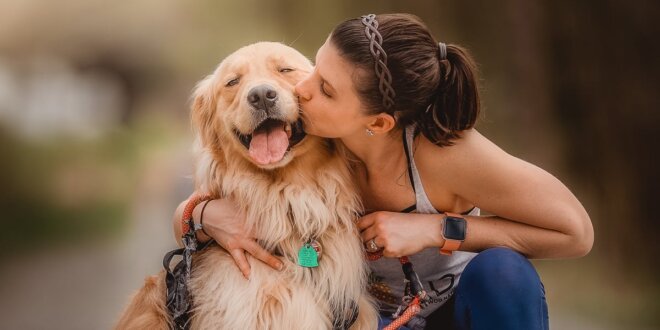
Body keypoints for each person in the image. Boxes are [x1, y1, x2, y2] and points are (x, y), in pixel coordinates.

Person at [172, 13, 593, 330]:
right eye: (314, 68)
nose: (300, 89)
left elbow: (575, 232)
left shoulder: (443, 151)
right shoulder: (310, 152)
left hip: (454, 311)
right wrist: (203, 216)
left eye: (325, 89)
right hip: (364, 318)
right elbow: (206, 212)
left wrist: (436, 230)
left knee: (503, 272)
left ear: (378, 123)